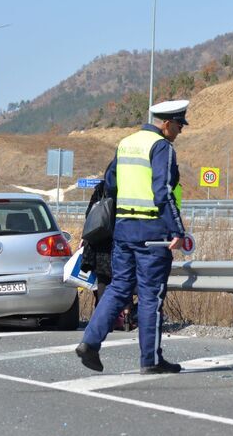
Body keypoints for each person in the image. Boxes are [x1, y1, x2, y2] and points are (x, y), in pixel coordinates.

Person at [75, 100, 188, 374]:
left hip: (124, 230)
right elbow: (162, 191)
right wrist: (177, 230)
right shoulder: (162, 147)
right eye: (178, 125)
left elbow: (110, 182)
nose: (180, 131)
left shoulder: (126, 143)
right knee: (150, 296)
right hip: (152, 233)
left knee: (119, 287)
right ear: (165, 123)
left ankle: (90, 341)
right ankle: (150, 360)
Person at [80, 178, 133, 331]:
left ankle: (105, 321)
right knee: (124, 279)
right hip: (121, 241)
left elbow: (89, 214)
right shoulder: (129, 187)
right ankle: (126, 316)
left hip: (100, 241)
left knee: (103, 281)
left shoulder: (101, 189)